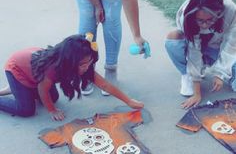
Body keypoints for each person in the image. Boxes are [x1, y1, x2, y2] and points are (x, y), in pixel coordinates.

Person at [0, 34, 144, 121]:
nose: (86, 67)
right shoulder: (53, 69)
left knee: (54, 99)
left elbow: (105, 85)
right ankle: (17, 86)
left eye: (89, 62)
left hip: (31, 67)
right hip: (17, 68)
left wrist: (129, 101)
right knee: (27, 110)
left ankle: (16, 88)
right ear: (69, 62)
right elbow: (42, 90)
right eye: (82, 64)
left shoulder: (83, 63)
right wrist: (52, 110)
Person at [165, 0, 236, 109]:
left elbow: (231, 44)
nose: (204, 25)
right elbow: (194, 52)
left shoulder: (230, 10)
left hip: (216, 47)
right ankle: (188, 74)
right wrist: (197, 92)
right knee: (173, 38)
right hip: (198, 47)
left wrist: (220, 73)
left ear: (219, 13)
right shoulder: (186, 15)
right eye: (200, 20)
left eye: (209, 20)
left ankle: (227, 73)